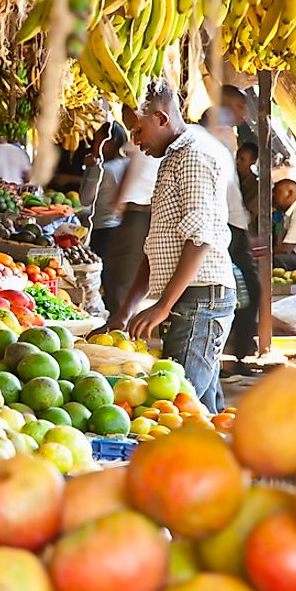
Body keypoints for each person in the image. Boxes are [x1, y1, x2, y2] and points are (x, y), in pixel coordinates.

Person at [107, 80, 237, 413]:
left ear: (161, 119)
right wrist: (123, 313)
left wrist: (163, 305)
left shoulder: (194, 156)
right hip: (189, 299)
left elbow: (200, 238)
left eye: (137, 131)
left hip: (200, 300)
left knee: (176, 407)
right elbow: (158, 247)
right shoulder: (171, 157)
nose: (134, 142)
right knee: (196, 406)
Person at [200, 109, 261, 364]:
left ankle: (240, 350)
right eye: (229, 126)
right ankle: (231, 350)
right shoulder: (205, 150)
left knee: (249, 290)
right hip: (224, 227)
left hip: (235, 226)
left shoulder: (223, 152)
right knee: (230, 291)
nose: (233, 132)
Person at [106, 132, 160, 318]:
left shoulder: (147, 136)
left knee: (123, 275)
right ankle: (121, 321)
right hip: (142, 211)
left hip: (139, 211)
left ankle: (121, 327)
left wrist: (118, 202)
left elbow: (132, 172)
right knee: (124, 273)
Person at [79, 121, 130, 276]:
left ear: (110, 142)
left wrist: (91, 167)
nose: (94, 145)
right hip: (125, 229)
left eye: (97, 141)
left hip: (104, 231)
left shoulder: (103, 169)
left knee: (103, 278)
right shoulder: (130, 164)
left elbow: (85, 199)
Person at [237, 141, 260, 236]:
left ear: (253, 162)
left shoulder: (257, 189)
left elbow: (249, 217)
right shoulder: (234, 181)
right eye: (237, 158)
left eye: (242, 160)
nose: (237, 162)